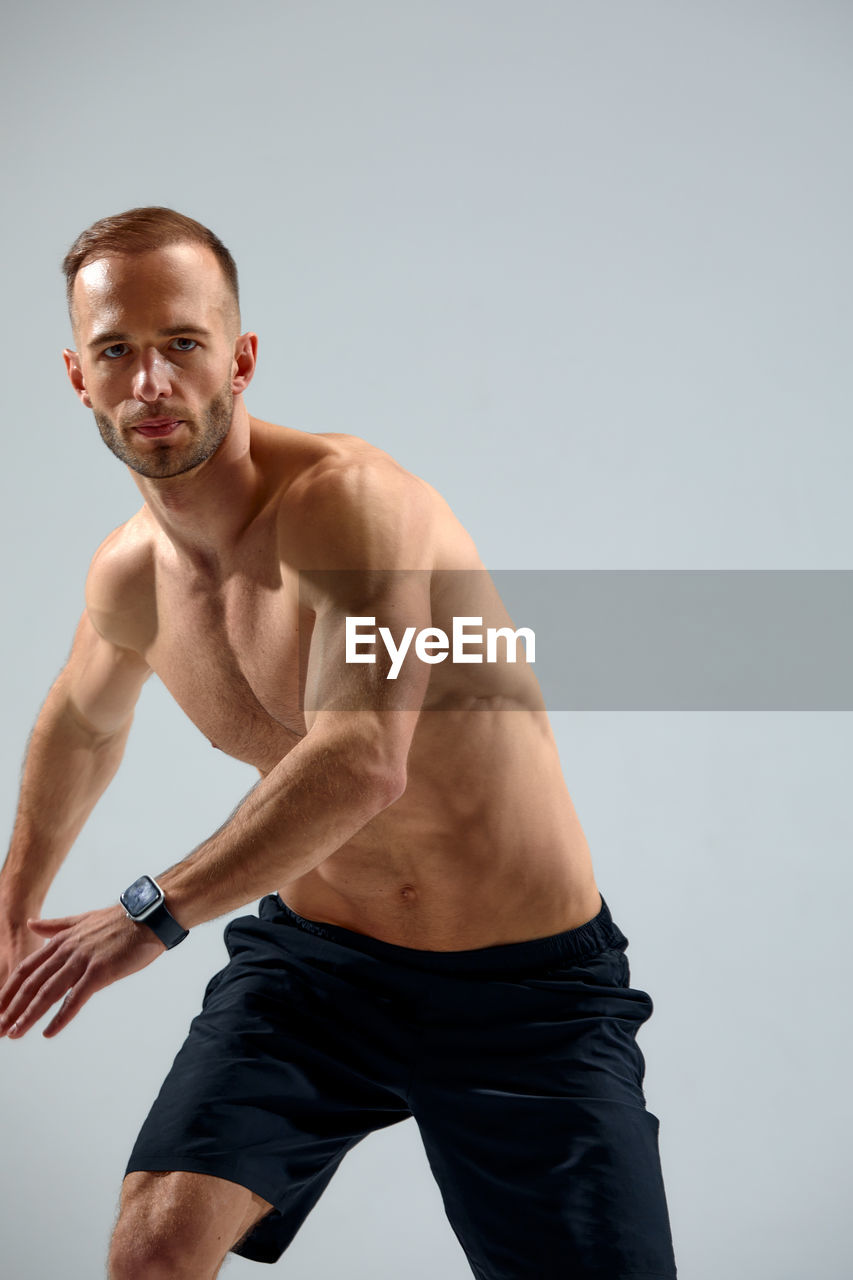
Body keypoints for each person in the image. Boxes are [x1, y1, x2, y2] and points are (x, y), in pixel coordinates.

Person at [0, 207, 677, 1279]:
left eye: (182, 342)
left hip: (526, 995)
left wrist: (148, 913)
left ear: (242, 356)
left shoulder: (352, 507)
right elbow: (80, 721)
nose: (151, 383)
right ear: (77, 376)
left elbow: (362, 757)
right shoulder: (130, 579)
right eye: (116, 351)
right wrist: (10, 909)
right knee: (151, 1248)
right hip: (318, 976)